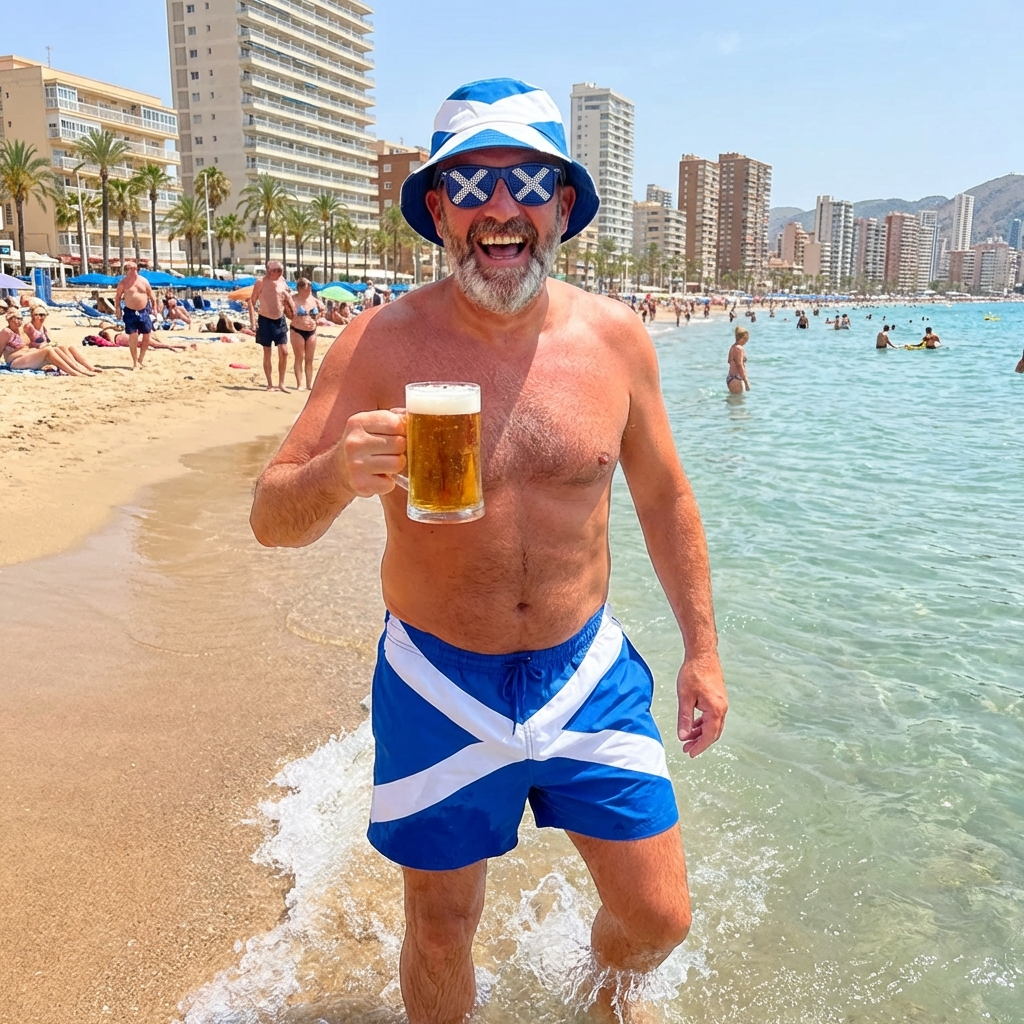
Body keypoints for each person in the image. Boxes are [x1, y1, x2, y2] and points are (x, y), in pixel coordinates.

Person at [249, 77, 727, 1024]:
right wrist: (338, 474)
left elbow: (665, 494)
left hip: (585, 666)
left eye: (524, 181)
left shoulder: (616, 340)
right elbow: (272, 516)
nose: (498, 208)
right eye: (469, 186)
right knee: (439, 925)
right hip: (436, 676)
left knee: (658, 916)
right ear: (436, 210)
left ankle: (600, 1002)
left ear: (560, 205)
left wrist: (703, 651)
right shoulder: (380, 342)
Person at [248, 260, 296, 391]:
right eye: (276, 270)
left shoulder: (282, 281)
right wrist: (253, 322)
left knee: (284, 351)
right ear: (268, 271)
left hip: (280, 319)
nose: (278, 273)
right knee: (267, 351)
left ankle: (281, 383)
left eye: (280, 270)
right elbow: (251, 302)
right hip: (265, 320)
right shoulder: (260, 282)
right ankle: (270, 383)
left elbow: (287, 299)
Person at [2, 309, 95, 375]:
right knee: (48, 350)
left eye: (21, 319)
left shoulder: (21, 331)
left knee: (58, 348)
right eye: (16, 318)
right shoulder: (6, 332)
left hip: (27, 357)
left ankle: (77, 368)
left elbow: (29, 346)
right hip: (14, 362)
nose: (19, 321)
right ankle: (72, 372)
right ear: (9, 319)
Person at [25, 308, 102, 374]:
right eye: (38, 315)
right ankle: (76, 368)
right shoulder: (29, 327)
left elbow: (49, 341)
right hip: (38, 352)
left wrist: (50, 344)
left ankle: (89, 367)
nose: (41, 317)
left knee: (70, 347)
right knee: (60, 347)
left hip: (46, 348)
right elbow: (28, 343)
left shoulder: (44, 328)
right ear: (33, 316)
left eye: (44, 315)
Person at [114, 261, 159, 369]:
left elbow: (151, 294)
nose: (134, 270)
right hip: (130, 312)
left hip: (144, 311)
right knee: (133, 336)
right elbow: (118, 297)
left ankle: (141, 359)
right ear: (127, 270)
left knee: (147, 335)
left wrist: (154, 307)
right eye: (131, 268)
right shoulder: (123, 283)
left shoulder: (143, 281)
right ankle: (134, 362)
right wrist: (118, 309)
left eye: (135, 268)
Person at [289, 277, 322, 391]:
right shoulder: (293, 300)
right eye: (309, 285)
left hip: (311, 330)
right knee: (299, 357)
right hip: (297, 329)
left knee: (309, 359)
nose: (310, 287)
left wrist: (316, 316)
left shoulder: (314, 300)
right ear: (301, 287)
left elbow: (323, 310)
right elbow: (286, 312)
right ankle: (299, 384)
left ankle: (309, 384)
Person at [727, 325, 750, 394]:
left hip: (731, 377)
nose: (746, 341)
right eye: (746, 339)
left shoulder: (733, 347)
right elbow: (739, 365)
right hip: (736, 378)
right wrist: (746, 381)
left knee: (733, 401)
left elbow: (729, 361)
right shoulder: (739, 348)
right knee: (739, 402)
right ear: (743, 338)